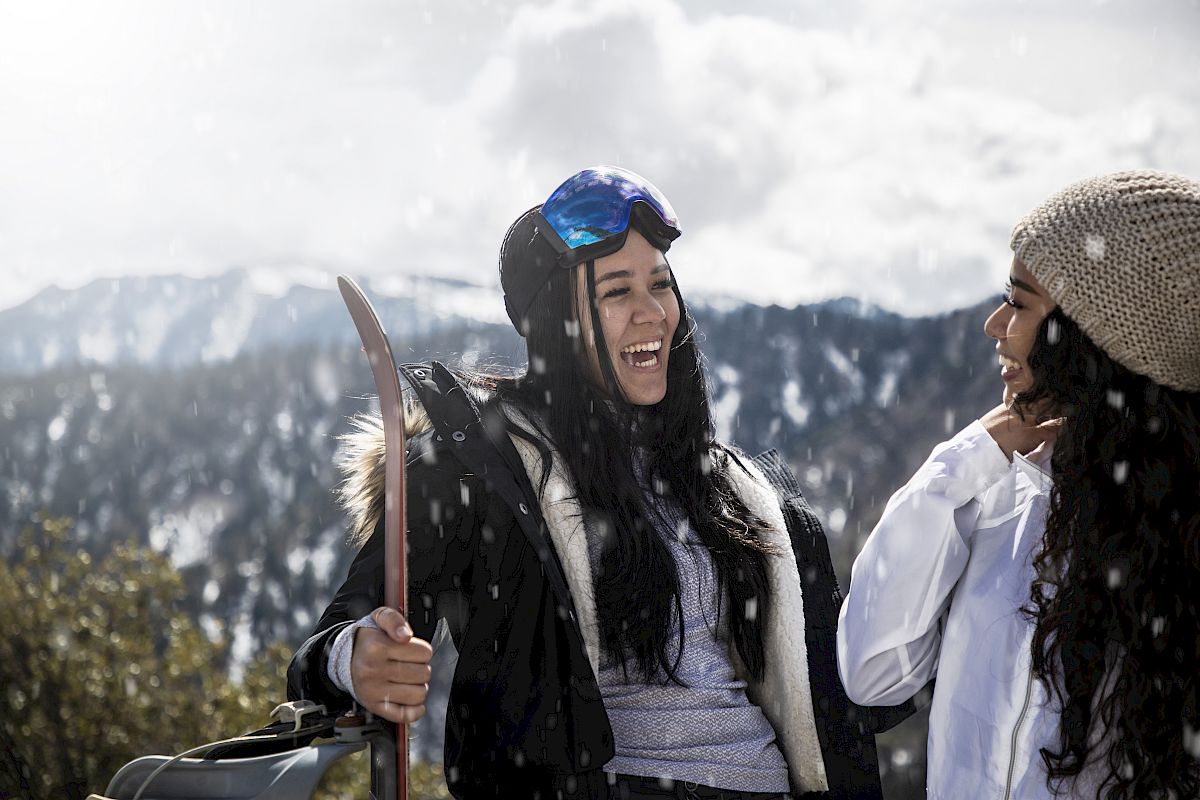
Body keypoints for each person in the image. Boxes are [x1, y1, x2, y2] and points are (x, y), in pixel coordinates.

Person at [289, 166, 906, 798]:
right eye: (616, 292)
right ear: (560, 322)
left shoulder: (734, 491)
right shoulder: (485, 473)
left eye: (660, 285)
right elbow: (340, 635)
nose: (652, 314)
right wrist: (354, 658)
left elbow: (848, 688)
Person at [836, 170, 1200, 800]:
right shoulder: (997, 490)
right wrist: (963, 465)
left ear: (1092, 340)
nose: (994, 324)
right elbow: (871, 672)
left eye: (1021, 301)